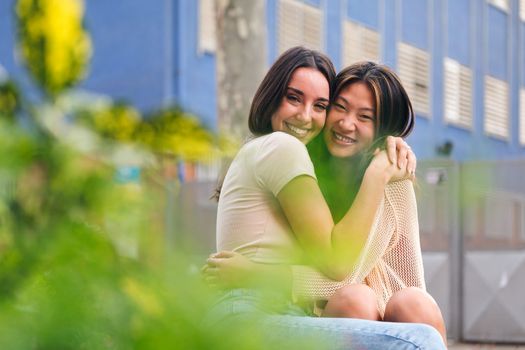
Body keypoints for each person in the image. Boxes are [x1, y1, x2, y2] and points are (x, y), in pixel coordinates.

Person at [204, 47, 446, 349]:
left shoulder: (392, 180)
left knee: (414, 303)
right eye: (339, 107)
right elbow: (339, 270)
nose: (346, 123)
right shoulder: (299, 160)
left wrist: (257, 273)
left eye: (365, 117)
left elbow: (409, 283)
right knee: (356, 299)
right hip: (321, 304)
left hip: (372, 302)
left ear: (382, 130)